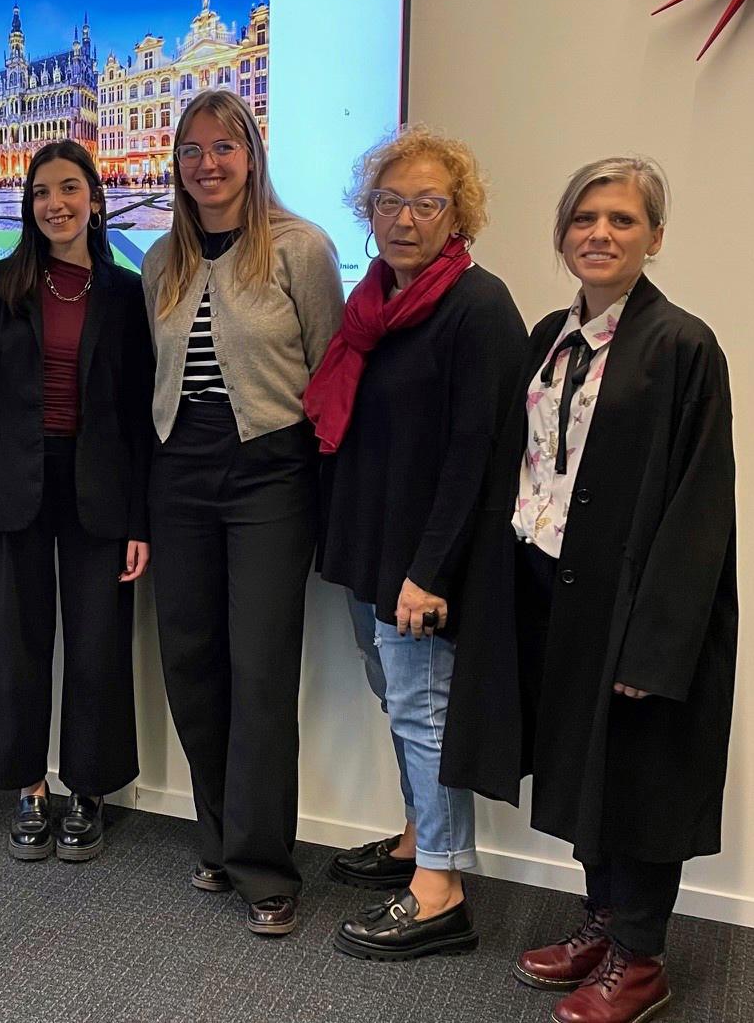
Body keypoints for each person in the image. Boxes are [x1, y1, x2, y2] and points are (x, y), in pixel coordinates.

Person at [449, 157, 736, 1023]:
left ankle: (642, 960)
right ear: (563, 233)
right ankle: (603, 925)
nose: (600, 235)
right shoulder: (548, 336)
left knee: (641, 776)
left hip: (635, 603)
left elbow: (700, 507)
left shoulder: (682, 345)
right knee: (579, 767)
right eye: (584, 219)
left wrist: (656, 644)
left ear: (655, 237)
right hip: (553, 588)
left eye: (621, 220)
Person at [302, 130, 525, 960]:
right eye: (390, 202)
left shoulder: (478, 306)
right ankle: (413, 841)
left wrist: (429, 572)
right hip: (371, 547)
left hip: (421, 564)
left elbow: (479, 455)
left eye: (427, 203)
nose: (404, 218)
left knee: (425, 712)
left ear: (457, 213)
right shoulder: (375, 304)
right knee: (399, 700)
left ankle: (440, 890)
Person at [141, 89, 343, 935]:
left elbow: (333, 380)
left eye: (224, 148)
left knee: (260, 671)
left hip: (269, 473)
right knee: (190, 660)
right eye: (192, 150)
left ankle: (267, 864)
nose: (208, 164)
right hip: (177, 472)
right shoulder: (161, 260)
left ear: (252, 155)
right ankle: (219, 838)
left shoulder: (302, 249)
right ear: (177, 165)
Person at [0, 140, 152, 862]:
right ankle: (27, 786)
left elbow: (138, 415)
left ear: (95, 200)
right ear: (28, 204)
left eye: (70, 189)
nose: (55, 204)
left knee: (99, 644)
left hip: (101, 486)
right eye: (42, 192)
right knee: (16, 640)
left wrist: (141, 519)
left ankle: (90, 789)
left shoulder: (127, 293)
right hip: (14, 486)